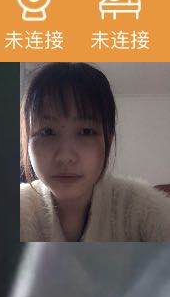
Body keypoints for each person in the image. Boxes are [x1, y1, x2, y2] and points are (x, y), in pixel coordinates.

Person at [19, 62, 170, 242]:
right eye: (47, 132)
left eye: (86, 132)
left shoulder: (143, 208)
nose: (65, 157)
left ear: (108, 140)